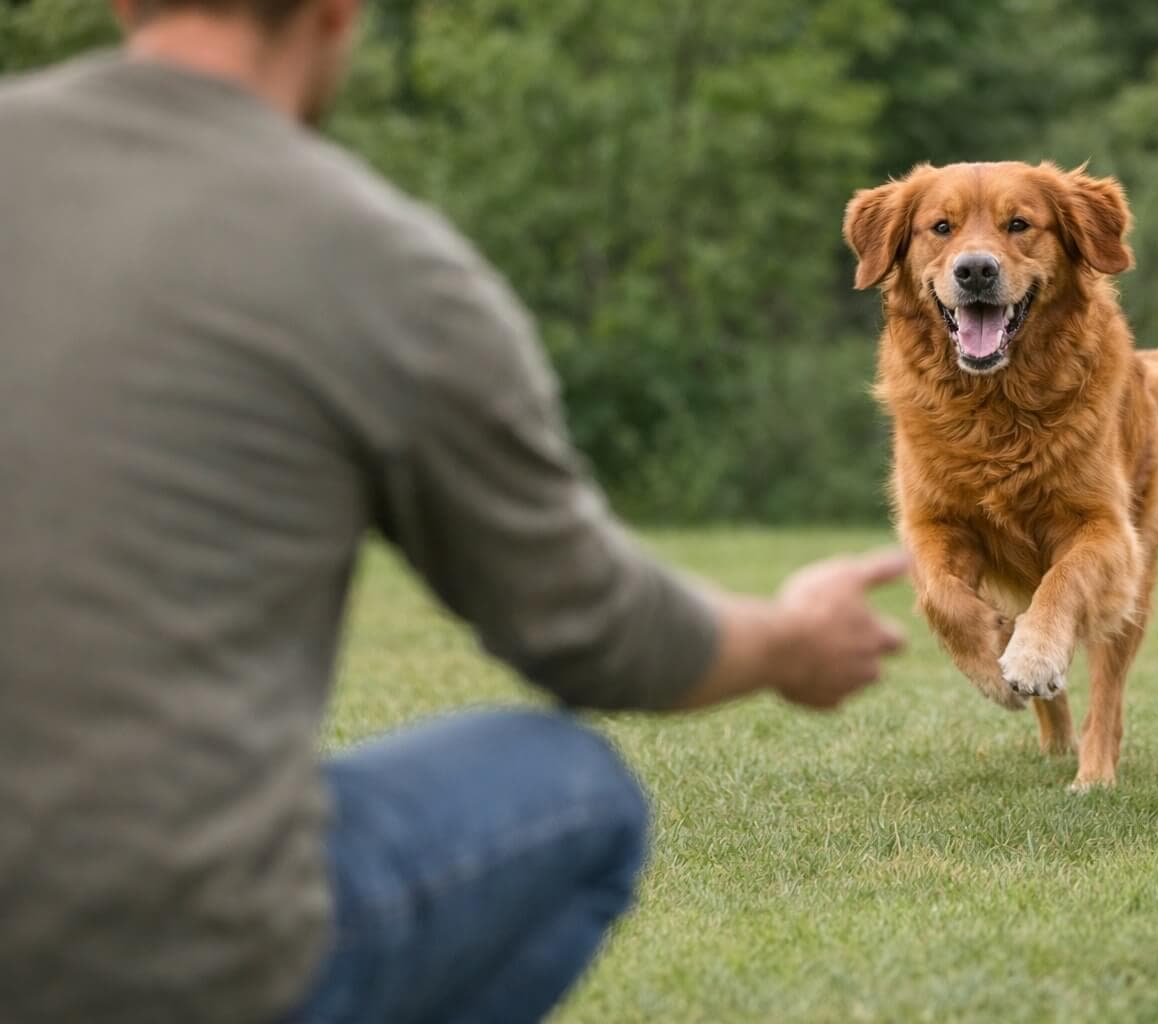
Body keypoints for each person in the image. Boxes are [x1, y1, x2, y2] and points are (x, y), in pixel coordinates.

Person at [0, 1, 909, 1021]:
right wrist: (790, 641)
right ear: (337, 15)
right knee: (573, 790)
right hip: (162, 961)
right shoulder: (377, 260)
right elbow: (591, 631)